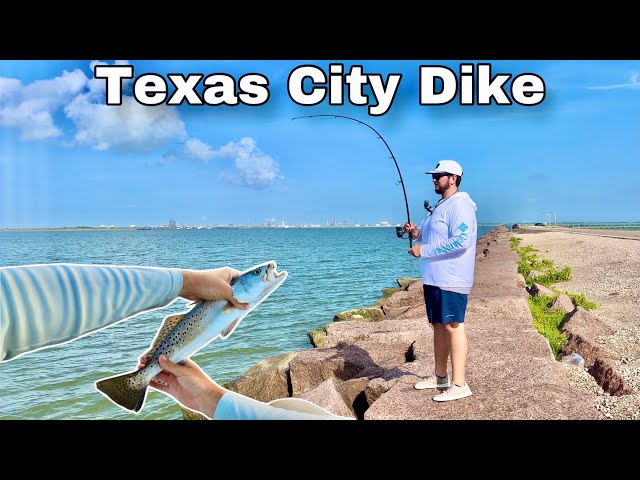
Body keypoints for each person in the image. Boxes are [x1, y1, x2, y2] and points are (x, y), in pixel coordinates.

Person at [0, 263, 351, 420]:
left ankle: (134, 384)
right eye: (260, 273)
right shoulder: (225, 301)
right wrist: (211, 398)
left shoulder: (229, 303)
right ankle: (135, 384)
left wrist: (211, 399)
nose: (267, 273)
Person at [404, 159, 477, 402]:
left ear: (453, 178)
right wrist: (415, 232)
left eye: (439, 175)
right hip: (433, 278)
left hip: (451, 278)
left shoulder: (461, 205)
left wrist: (423, 250)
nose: (434, 179)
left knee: (453, 326)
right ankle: (440, 377)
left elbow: (461, 240)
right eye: (433, 176)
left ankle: (460, 384)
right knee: (438, 325)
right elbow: (428, 234)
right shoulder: (442, 205)